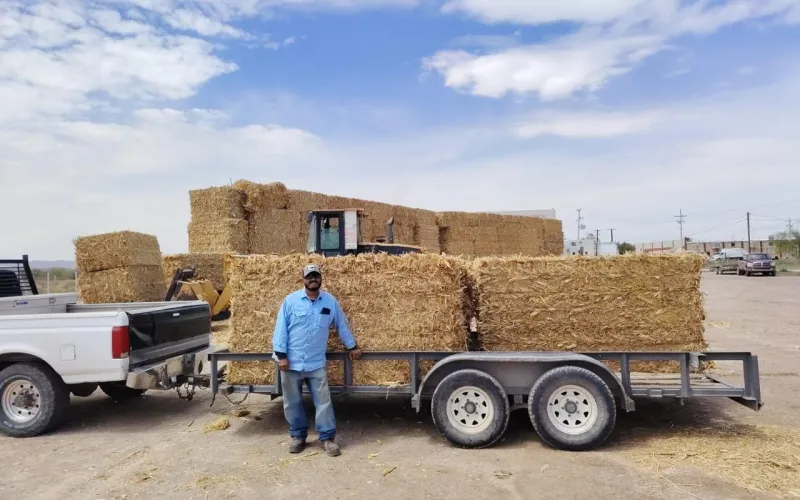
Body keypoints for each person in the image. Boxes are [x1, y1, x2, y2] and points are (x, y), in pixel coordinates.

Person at [272, 264, 361, 457]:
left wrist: (352, 346)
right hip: (291, 362)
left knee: (323, 402)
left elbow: (342, 325)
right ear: (303, 279)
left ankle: (327, 438)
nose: (313, 279)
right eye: (309, 276)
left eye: (316, 276)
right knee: (292, 402)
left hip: (316, 362)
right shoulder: (290, 301)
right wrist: (281, 356)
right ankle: (298, 437)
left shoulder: (330, 302)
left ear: (321, 278)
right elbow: (280, 329)